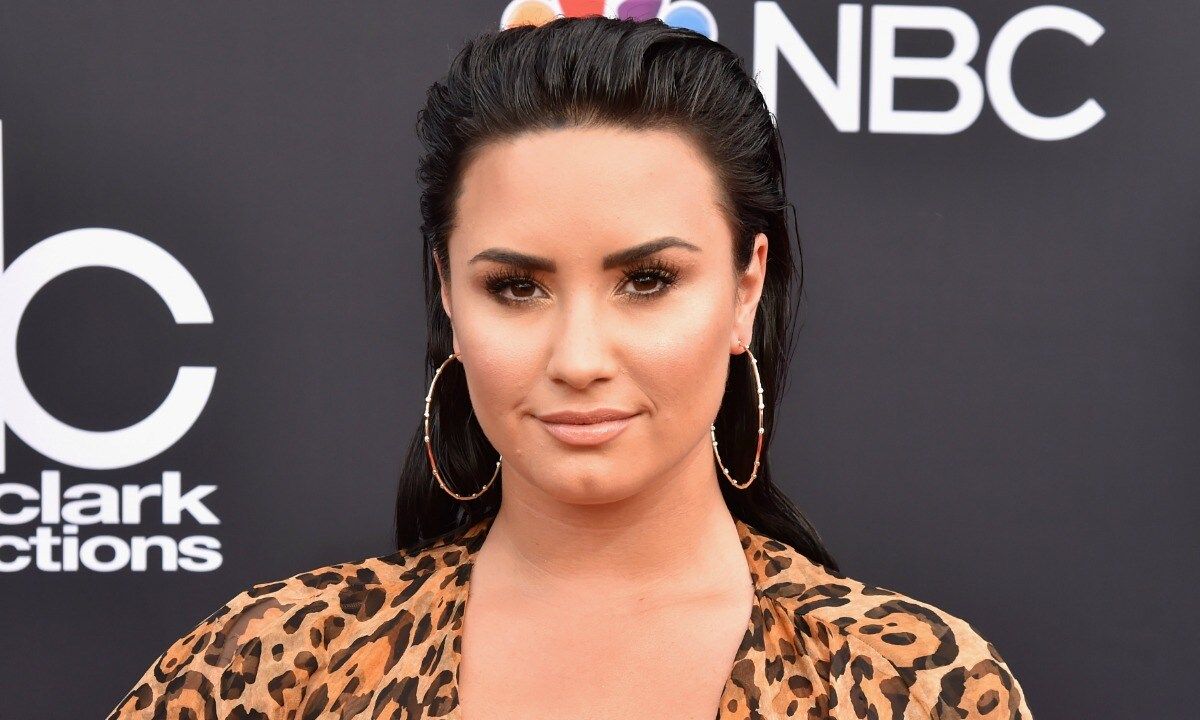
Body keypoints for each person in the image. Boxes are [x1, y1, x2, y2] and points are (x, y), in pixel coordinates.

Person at [106, 16, 1032, 720]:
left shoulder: (911, 685)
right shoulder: (281, 664)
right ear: (448, 294)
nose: (579, 359)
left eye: (648, 280)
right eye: (516, 287)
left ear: (746, 288)